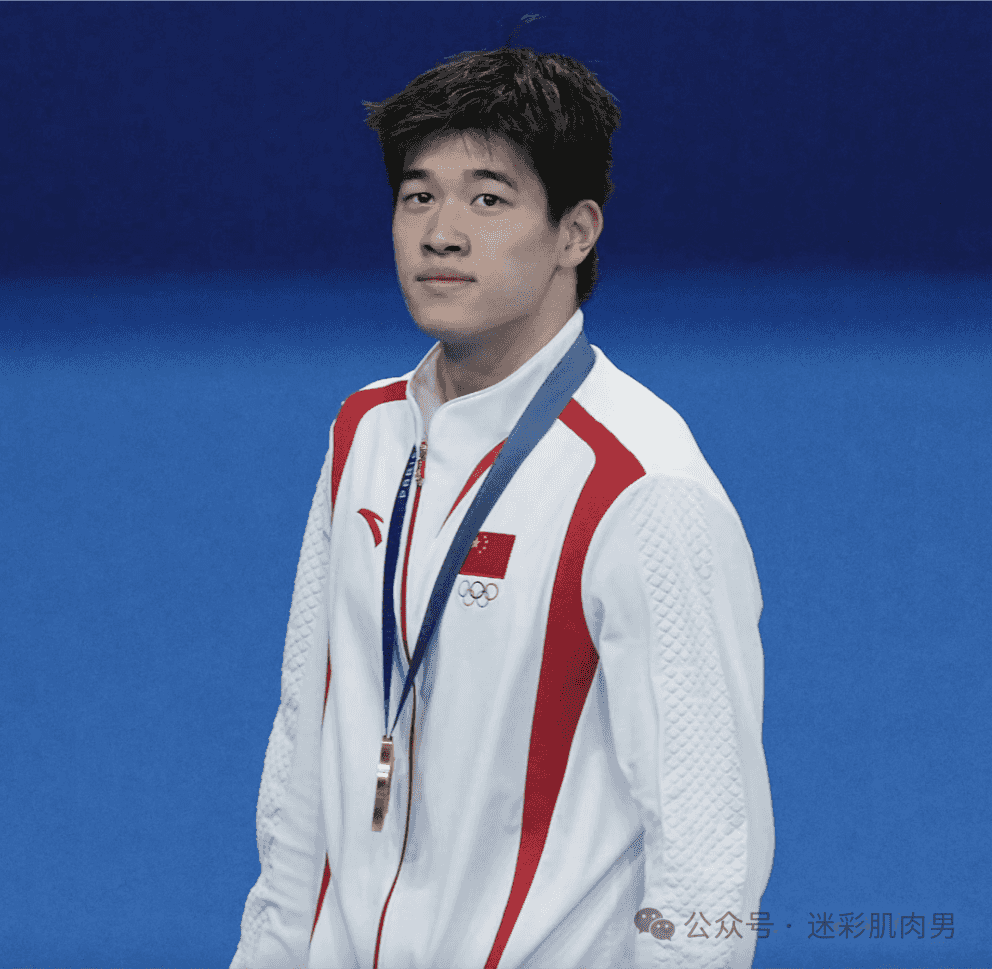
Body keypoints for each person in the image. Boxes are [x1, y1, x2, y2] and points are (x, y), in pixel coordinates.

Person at [231, 47, 774, 969]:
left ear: (576, 232)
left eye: (488, 199)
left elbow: (708, 841)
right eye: (417, 196)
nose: (440, 233)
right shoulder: (364, 434)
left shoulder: (640, 485)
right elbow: (303, 742)